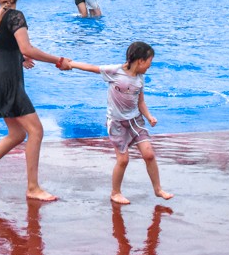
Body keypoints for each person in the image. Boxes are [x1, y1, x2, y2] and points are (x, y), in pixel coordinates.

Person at [0, 0, 71, 201]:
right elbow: (28, 47)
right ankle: (33, 188)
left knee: (17, 133)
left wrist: (18, 56)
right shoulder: (15, 16)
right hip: (10, 82)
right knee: (36, 131)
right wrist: (58, 60)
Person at [64, 42, 173, 204]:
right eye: (150, 61)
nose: (151, 65)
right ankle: (115, 192)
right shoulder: (115, 71)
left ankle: (158, 189)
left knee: (149, 154)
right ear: (141, 61)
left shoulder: (140, 78)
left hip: (135, 121)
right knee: (123, 160)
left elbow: (140, 102)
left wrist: (149, 117)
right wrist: (70, 64)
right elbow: (92, 68)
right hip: (116, 123)